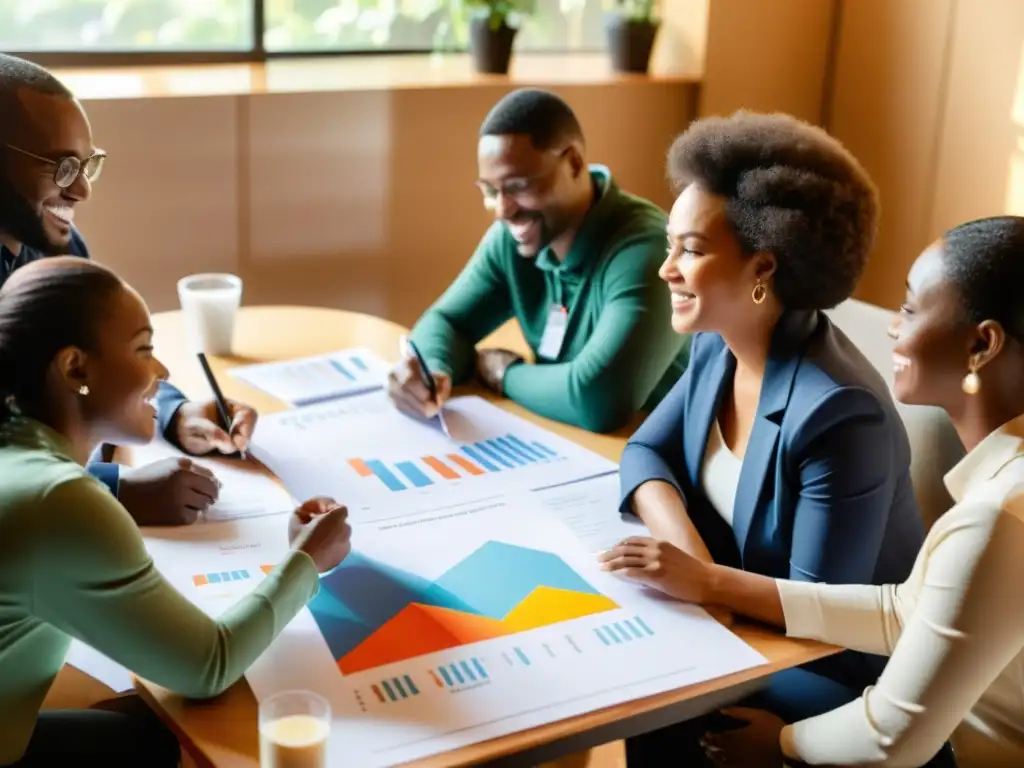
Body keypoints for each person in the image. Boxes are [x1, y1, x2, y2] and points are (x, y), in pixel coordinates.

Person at [601, 214, 1024, 768]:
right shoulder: (998, 495)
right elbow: (903, 611)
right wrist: (711, 580)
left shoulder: (997, 515)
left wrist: (780, 743)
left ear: (981, 344)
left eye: (910, 308)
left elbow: (894, 739)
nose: (893, 329)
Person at [613, 111, 928, 765]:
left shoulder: (841, 415)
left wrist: (704, 583)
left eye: (691, 251)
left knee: (640, 686)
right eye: (671, 245)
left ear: (763, 268)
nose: (666, 269)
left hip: (836, 680)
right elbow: (645, 452)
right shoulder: (716, 347)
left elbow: (823, 615)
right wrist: (688, 553)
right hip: (742, 627)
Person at [0, 257, 353, 767]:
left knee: (148, 738)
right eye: (144, 349)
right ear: (75, 367)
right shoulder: (60, 501)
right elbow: (207, 666)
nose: (161, 372)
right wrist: (306, 560)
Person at [0, 52, 258, 526]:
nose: (82, 192)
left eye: (86, 165)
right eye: (61, 169)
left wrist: (172, 413)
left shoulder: (56, 246)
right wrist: (114, 490)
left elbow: (103, 354)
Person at [387, 88, 690, 433]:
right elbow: (446, 322)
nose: (503, 209)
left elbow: (598, 399)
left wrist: (503, 372)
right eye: (490, 191)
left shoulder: (647, 250)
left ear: (574, 163)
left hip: (658, 458)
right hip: (566, 441)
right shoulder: (514, 241)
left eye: (518, 186)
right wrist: (432, 371)